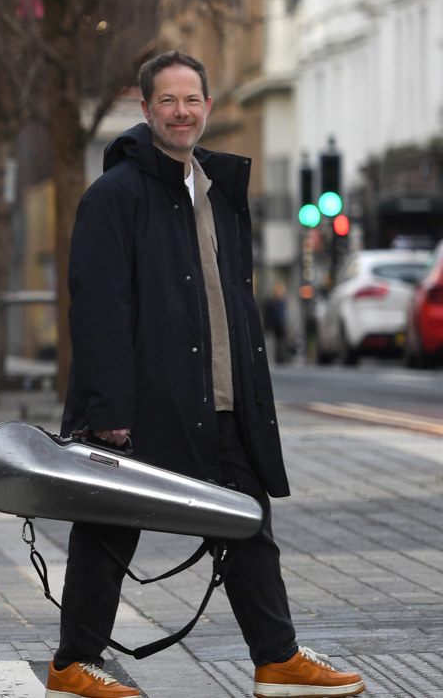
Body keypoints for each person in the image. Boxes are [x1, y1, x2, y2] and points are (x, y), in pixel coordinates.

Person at [46, 50, 364, 698]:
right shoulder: (115, 197)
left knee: (248, 523)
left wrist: (248, 393)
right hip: (141, 404)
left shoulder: (217, 194)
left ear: (209, 108)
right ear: (145, 109)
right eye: (168, 100)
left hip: (220, 399)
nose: (182, 111)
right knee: (109, 530)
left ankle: (277, 659)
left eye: (192, 100)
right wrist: (107, 413)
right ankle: (72, 665)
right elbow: (99, 310)